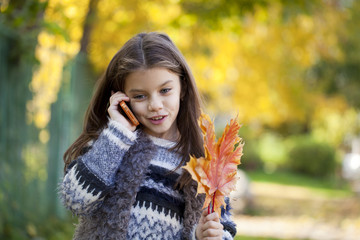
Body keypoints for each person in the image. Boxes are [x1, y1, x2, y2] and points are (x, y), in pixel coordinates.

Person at [60, 32, 237, 240]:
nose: (155, 105)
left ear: (182, 88)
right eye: (140, 96)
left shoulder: (204, 162)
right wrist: (118, 133)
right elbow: (75, 200)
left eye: (165, 90)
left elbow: (222, 228)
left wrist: (202, 236)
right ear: (122, 98)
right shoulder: (110, 143)